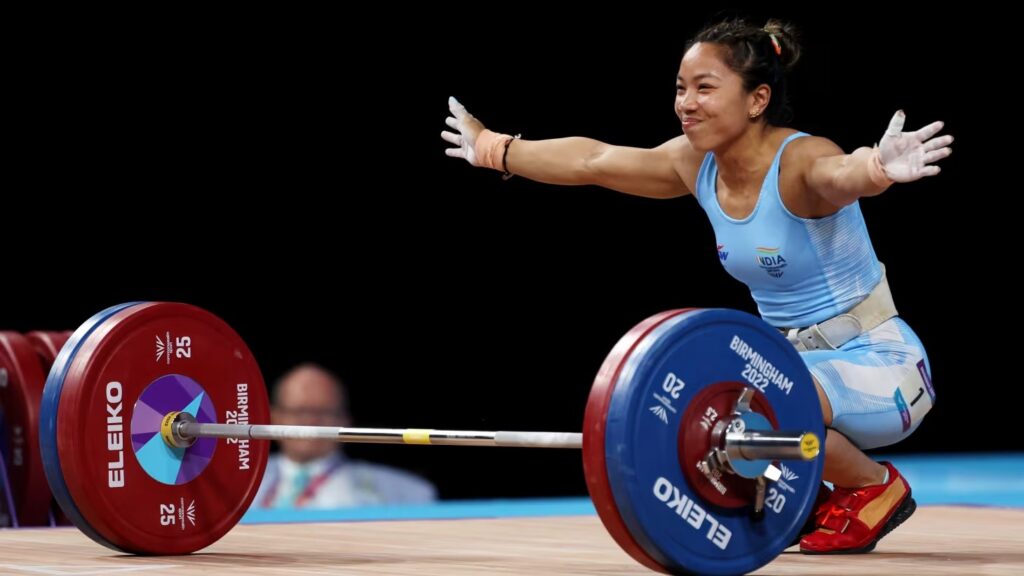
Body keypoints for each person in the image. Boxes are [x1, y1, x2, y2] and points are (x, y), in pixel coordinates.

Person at [441, 18, 951, 554]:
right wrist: (493, 148)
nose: (686, 103)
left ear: (757, 100)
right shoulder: (695, 164)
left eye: (705, 88)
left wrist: (878, 168)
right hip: (793, 371)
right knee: (710, 405)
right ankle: (806, 495)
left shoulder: (800, 161)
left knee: (757, 406)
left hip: (883, 368)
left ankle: (875, 485)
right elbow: (593, 160)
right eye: (681, 88)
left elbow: (841, 174)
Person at [254, 363, 437, 508]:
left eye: (324, 412)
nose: (310, 421)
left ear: (345, 420)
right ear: (274, 417)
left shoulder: (407, 493)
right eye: (299, 411)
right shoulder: (243, 481)